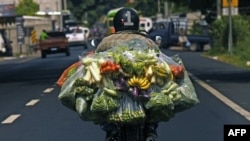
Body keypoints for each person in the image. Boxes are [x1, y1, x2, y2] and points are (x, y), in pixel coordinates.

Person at [95, 7, 159, 141]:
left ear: (116, 24)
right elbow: (158, 60)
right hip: (143, 89)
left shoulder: (106, 42)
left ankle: (111, 129)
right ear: (136, 24)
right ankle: (150, 129)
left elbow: (96, 61)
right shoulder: (148, 42)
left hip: (113, 88)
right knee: (158, 94)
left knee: (98, 96)